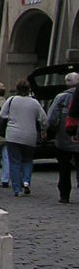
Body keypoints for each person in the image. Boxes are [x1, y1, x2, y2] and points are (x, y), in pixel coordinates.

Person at [0, 78, 48, 197]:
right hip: (29, 135)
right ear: (29, 89)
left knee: (15, 162)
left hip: (13, 135)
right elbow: (44, 119)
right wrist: (43, 129)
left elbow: (2, 114)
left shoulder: (11, 100)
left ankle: (17, 189)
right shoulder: (34, 103)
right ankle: (26, 181)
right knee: (27, 160)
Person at [46, 71, 79, 203]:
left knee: (64, 168)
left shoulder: (61, 97)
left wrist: (53, 130)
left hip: (64, 138)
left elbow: (52, 118)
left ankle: (64, 195)